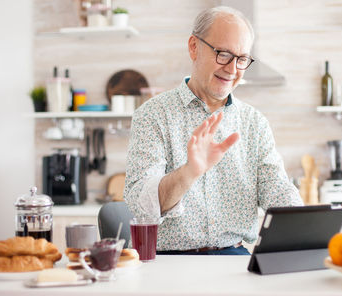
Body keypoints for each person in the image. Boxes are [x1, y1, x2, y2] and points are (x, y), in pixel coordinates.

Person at [124, 6, 303, 255]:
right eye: (223, 54)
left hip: (234, 256)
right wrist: (190, 171)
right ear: (194, 47)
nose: (232, 69)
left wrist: (308, 222)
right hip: (170, 261)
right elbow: (140, 206)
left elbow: (276, 188)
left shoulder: (254, 122)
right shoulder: (153, 115)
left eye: (241, 59)